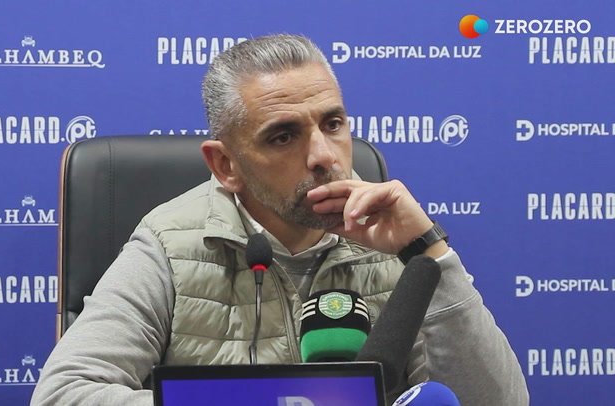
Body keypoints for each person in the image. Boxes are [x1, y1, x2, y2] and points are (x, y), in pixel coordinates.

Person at [31, 34, 529, 405]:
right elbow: (64, 394)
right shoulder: (171, 241)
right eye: (283, 136)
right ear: (225, 164)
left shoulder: (396, 239)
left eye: (333, 124)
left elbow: (496, 403)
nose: (324, 156)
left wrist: (429, 253)